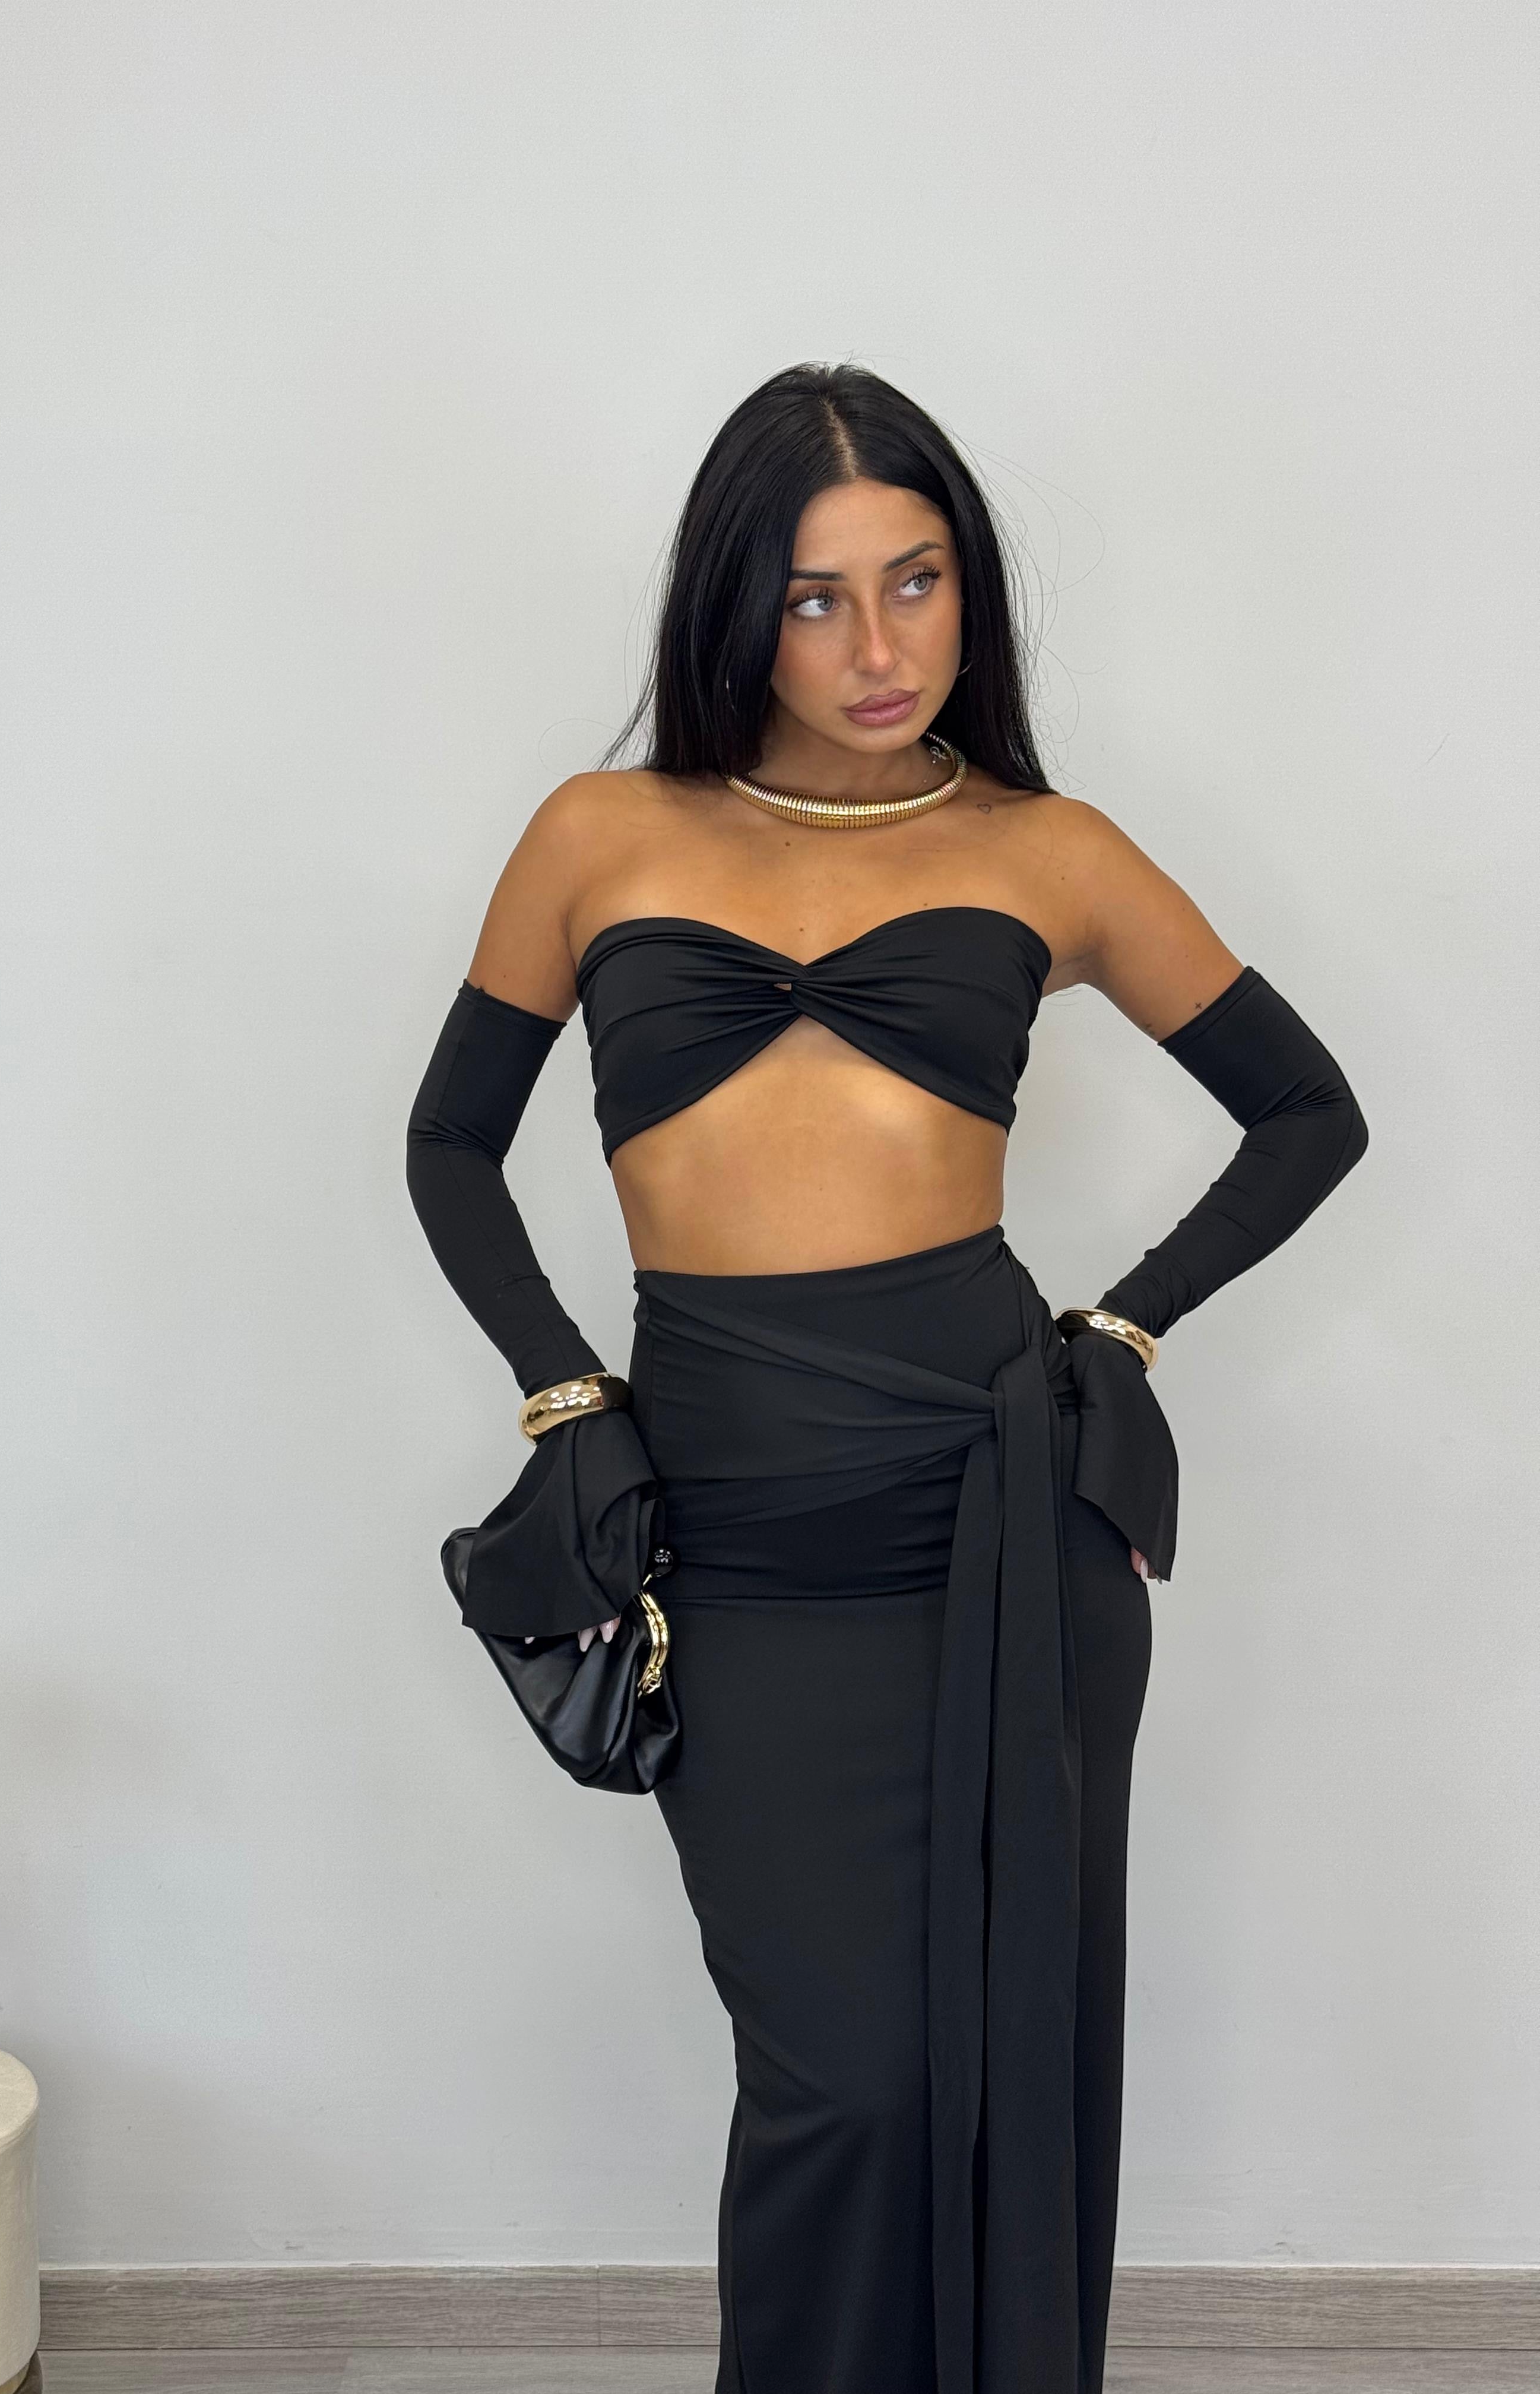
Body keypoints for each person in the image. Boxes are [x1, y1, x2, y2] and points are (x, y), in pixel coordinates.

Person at [404, 361, 1368, 2394]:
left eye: (917, 582)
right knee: (839, 2081)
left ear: (969, 589)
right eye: (817, 597)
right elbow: (450, 1144)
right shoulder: (599, 834)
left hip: (998, 1517)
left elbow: (1307, 1111)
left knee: (986, 2061)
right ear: (734, 608)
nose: (878, 646)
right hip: (738, 1528)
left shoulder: (1049, 849)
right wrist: (564, 1391)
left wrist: (1121, 1326)